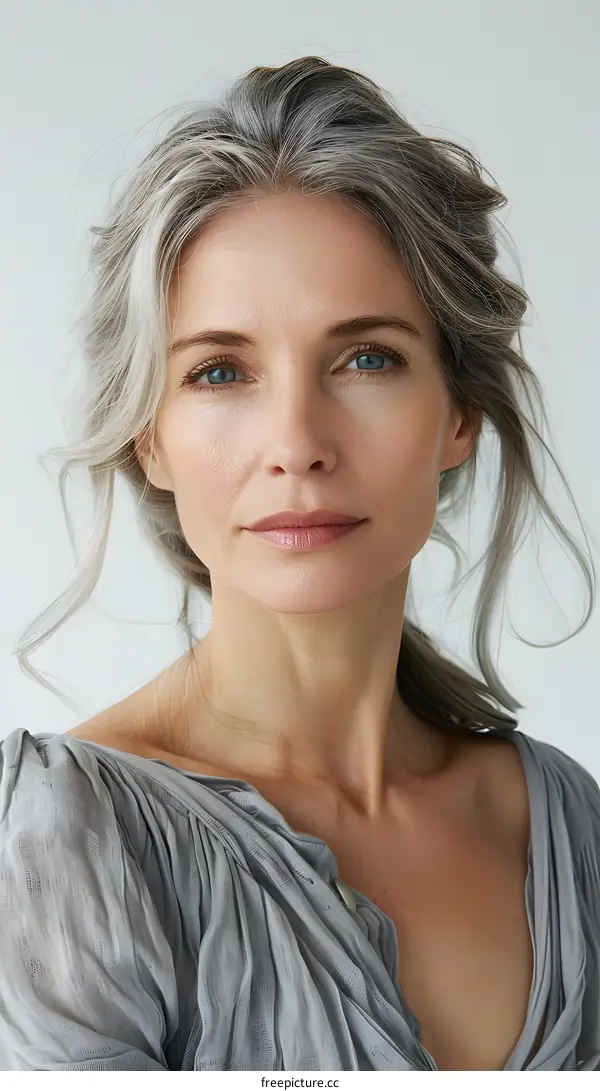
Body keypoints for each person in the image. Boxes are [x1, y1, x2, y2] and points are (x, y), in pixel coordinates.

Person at [1, 56, 599, 1073]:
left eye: (366, 358)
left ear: (460, 413)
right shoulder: (65, 842)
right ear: (149, 437)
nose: (297, 443)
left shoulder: (566, 828)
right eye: (219, 371)